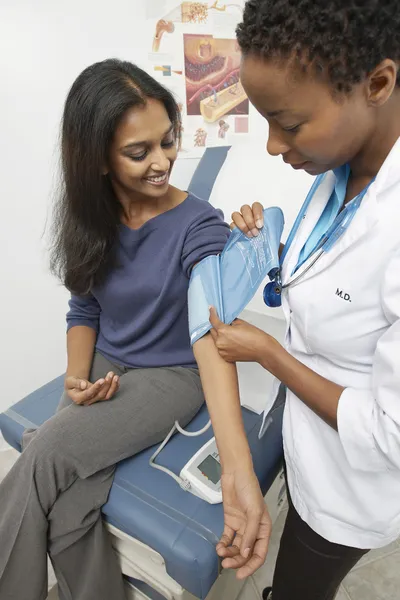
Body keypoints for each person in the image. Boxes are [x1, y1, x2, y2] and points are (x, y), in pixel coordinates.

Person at [0, 59, 269, 600]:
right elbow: (85, 311)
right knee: (71, 504)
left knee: (43, 455)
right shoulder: (92, 216)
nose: (163, 162)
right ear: (97, 159)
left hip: (171, 374)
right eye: (138, 151)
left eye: (168, 142)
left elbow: (209, 332)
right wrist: (78, 379)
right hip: (107, 362)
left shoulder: (198, 226)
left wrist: (238, 468)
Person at [208, 1, 400, 599]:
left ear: (377, 83)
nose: (270, 146)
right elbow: (339, 273)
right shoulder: (344, 170)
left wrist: (268, 354)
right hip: (305, 443)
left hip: (352, 488)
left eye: (287, 124)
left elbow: (390, 433)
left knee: (300, 581)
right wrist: (277, 248)